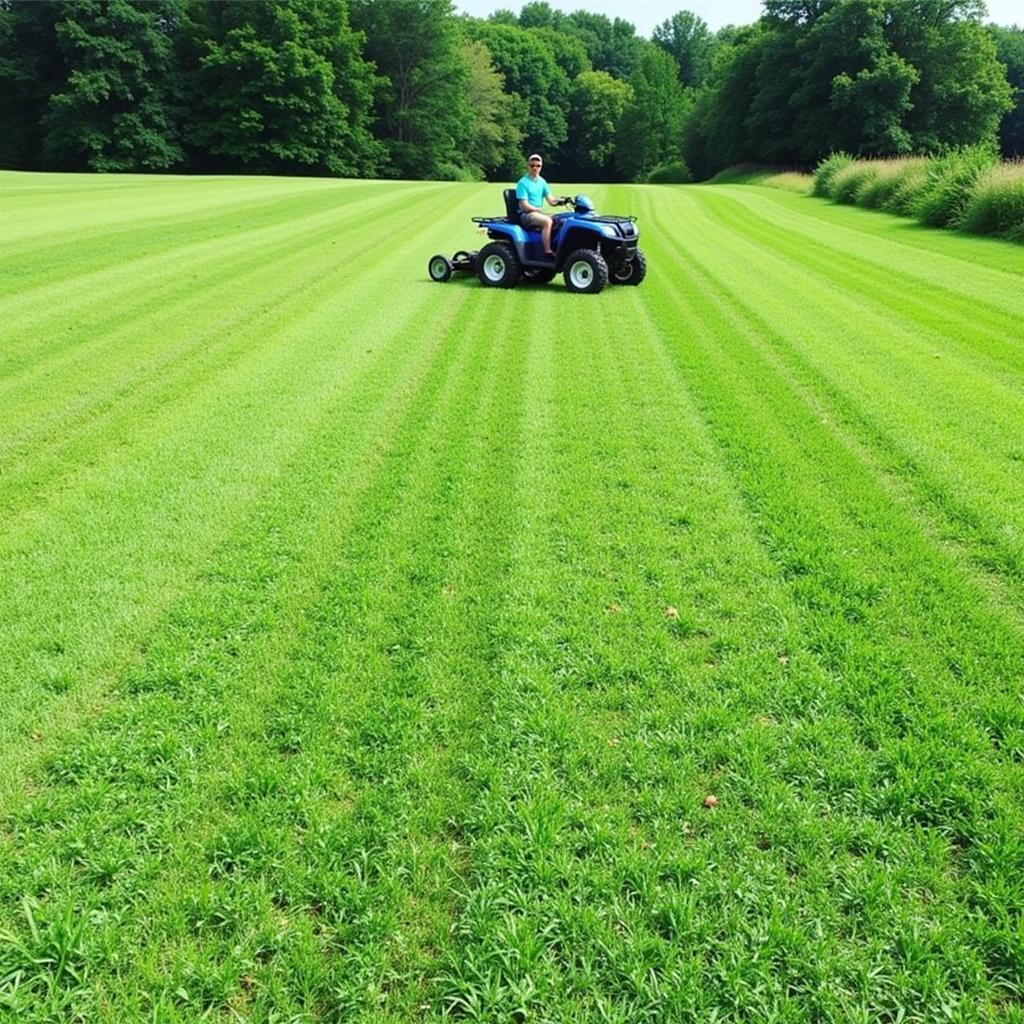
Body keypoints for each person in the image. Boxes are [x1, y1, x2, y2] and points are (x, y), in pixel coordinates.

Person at [515, 154, 566, 257]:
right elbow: (524, 205)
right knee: (547, 221)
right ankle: (547, 251)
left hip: (538, 213)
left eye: (538, 166)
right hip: (527, 214)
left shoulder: (542, 182)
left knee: (562, 219)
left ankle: (558, 247)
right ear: (528, 166)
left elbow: (551, 200)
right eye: (532, 165)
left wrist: (562, 201)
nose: (535, 168)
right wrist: (537, 209)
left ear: (541, 167)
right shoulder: (523, 183)